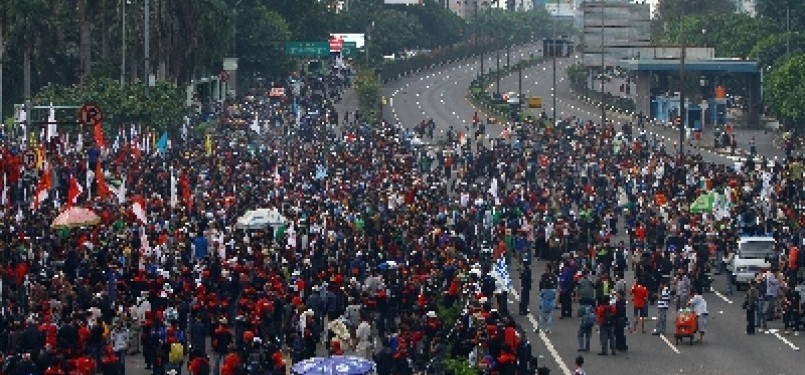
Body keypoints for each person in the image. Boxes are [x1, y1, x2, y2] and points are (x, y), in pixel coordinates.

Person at [539, 266, 558, 333]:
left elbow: (540, 284)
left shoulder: (544, 276)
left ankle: (539, 328)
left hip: (544, 295)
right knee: (550, 315)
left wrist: (540, 292)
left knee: (542, 313)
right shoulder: (554, 276)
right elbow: (556, 285)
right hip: (552, 294)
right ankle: (549, 328)